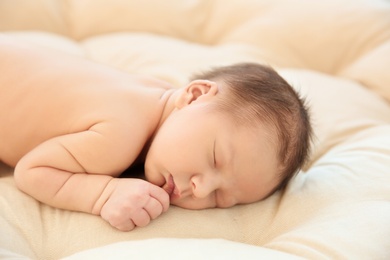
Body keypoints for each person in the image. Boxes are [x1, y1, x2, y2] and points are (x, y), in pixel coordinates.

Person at [0, 36, 312, 231]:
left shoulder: (160, 101)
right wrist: (102, 195)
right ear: (193, 96)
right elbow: (32, 170)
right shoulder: (118, 135)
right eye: (215, 158)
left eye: (221, 198)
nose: (200, 190)